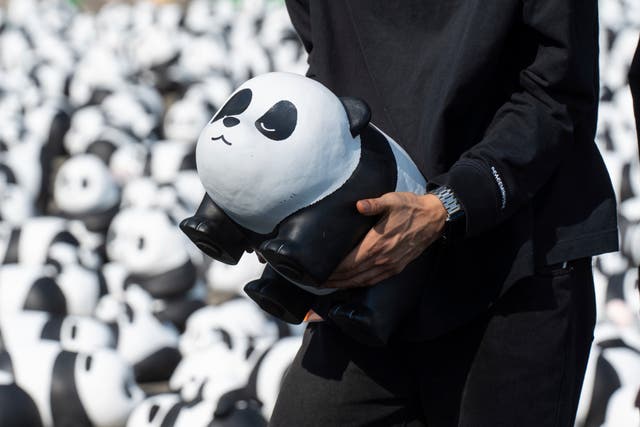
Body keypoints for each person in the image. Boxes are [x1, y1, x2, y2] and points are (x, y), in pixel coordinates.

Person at [269, 1, 619, 426]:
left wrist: (446, 205)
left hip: (515, 264)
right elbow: (329, 63)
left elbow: (555, 91)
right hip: (371, 266)